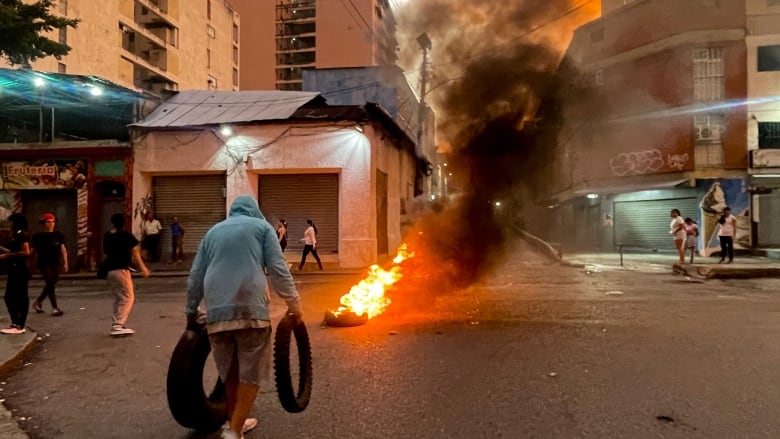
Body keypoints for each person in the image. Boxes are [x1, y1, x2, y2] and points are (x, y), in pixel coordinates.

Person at [185, 195, 302, 439]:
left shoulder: (213, 232)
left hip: (216, 311)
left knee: (229, 371)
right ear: (254, 211)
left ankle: (236, 422)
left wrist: (191, 312)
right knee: (251, 372)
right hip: (251, 310)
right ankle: (234, 431)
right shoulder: (262, 228)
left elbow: (196, 275)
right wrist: (294, 304)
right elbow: (278, 269)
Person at [103, 213, 150, 336]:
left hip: (109, 270)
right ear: (124, 222)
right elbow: (136, 254)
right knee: (128, 297)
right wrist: (143, 268)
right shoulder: (126, 235)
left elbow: (106, 252)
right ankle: (118, 325)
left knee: (119, 297)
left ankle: (117, 323)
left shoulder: (107, 235)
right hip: (121, 270)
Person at [31, 213, 67, 316]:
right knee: (50, 283)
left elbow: (63, 249)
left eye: (53, 221)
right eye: (48, 221)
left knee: (52, 283)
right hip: (43, 262)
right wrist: (30, 264)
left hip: (55, 262)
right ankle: (55, 307)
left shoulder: (58, 235)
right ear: (44, 223)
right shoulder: (38, 237)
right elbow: (33, 252)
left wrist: (65, 262)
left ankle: (38, 302)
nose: (51, 224)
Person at [0, 214, 31, 334]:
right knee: (12, 297)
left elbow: (25, 252)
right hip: (15, 269)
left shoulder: (22, 234)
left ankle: (18, 324)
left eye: (11, 222)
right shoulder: (18, 234)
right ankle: (16, 323)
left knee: (16, 297)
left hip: (20, 269)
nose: (10, 225)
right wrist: (3, 250)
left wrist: (6, 256)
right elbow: (14, 251)